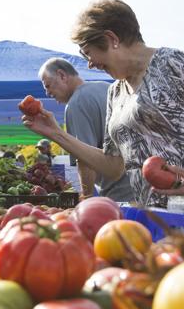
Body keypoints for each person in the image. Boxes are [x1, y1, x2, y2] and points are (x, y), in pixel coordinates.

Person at [23, 0, 184, 207]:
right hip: (152, 218)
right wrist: (55, 133)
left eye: (87, 53)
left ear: (111, 39)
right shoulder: (115, 92)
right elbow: (114, 167)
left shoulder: (173, 64)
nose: (90, 64)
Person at [39, 57, 134, 201]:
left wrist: (86, 198)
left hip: (120, 194)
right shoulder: (106, 87)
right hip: (144, 185)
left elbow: (84, 160)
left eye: (48, 86)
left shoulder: (76, 104)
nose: (47, 93)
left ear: (62, 75)